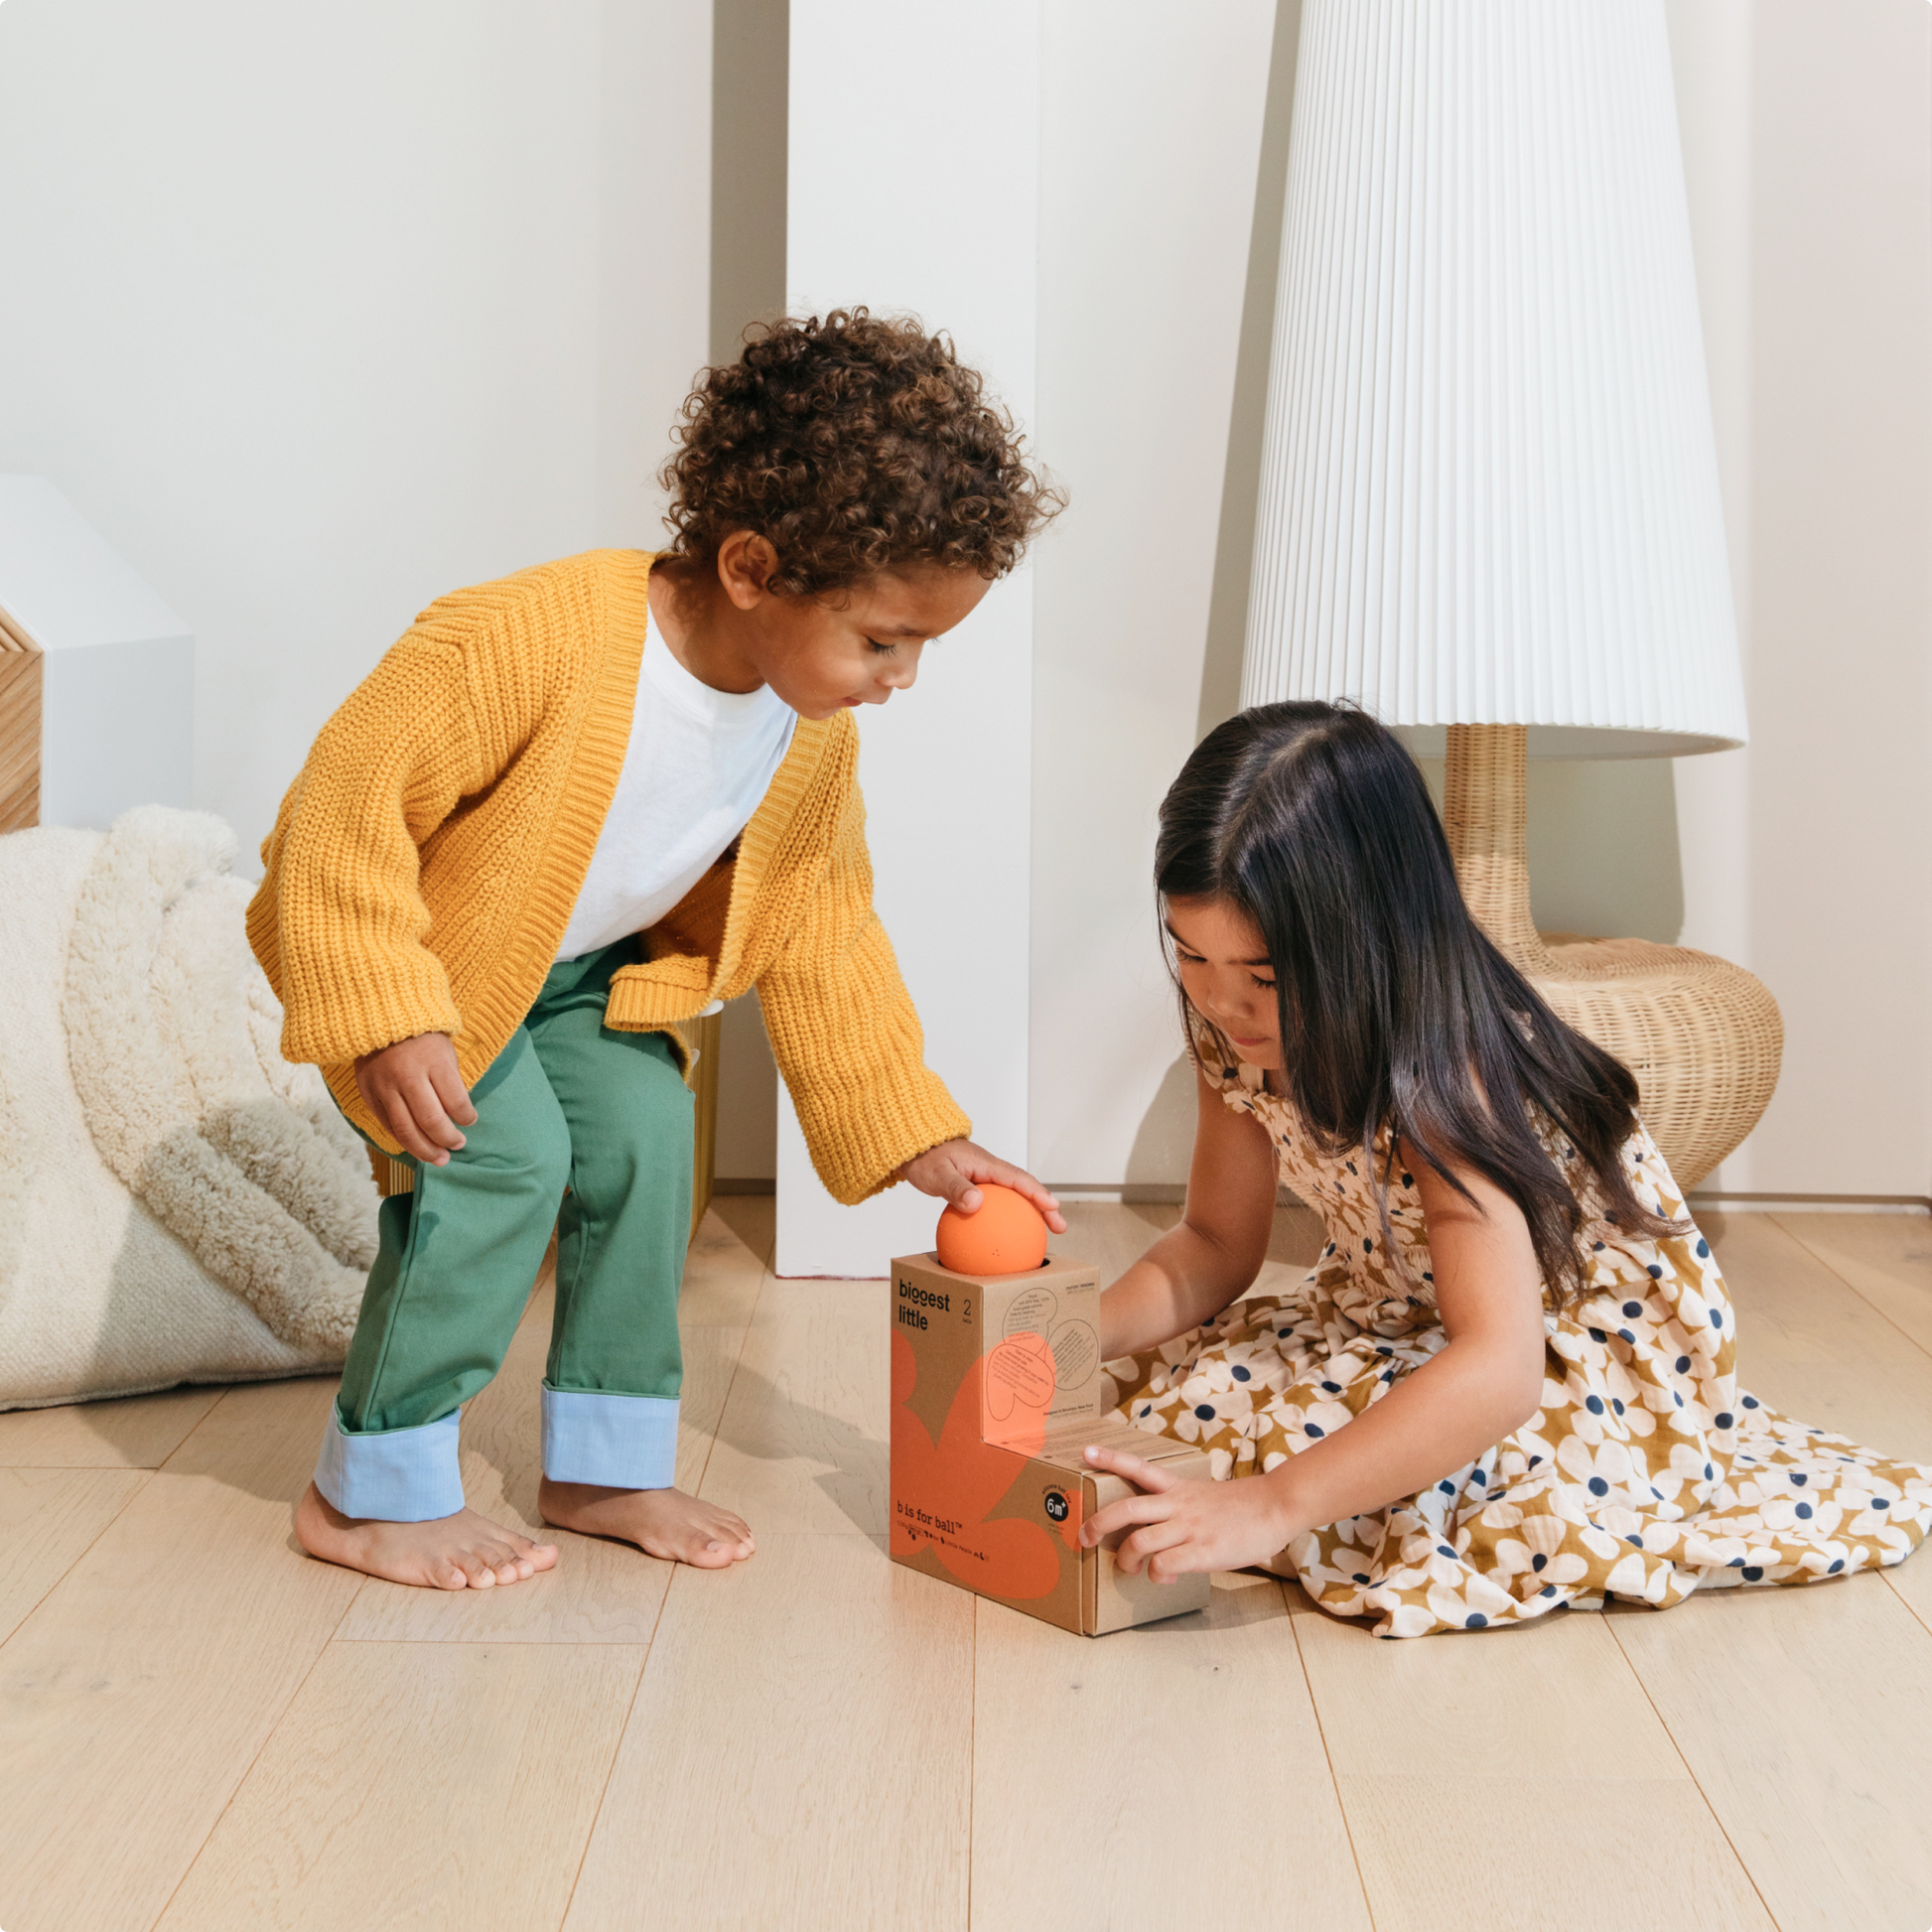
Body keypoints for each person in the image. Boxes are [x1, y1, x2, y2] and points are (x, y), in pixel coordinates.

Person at [250, 310, 1065, 1591]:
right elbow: (337, 817)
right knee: (500, 1157)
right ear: (750, 567)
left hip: (572, 977)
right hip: (434, 975)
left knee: (641, 1137)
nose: (899, 677)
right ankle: (371, 1486)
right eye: (881, 639)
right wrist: (389, 1008)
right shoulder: (519, 640)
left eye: (920, 647)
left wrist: (913, 1126)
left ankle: (602, 1460)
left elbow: (821, 925)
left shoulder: (808, 733)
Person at [1080, 702, 1930, 1638]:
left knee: (1462, 1508)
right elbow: (1211, 1244)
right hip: (1406, 1309)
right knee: (1177, 1403)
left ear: (1373, 935)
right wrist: (1059, 1341)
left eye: (1267, 975)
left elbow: (1499, 1368)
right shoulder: (1231, 1033)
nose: (1221, 1000)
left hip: (1557, 1349)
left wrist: (1271, 1507)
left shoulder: (1454, 1069)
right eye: (1191, 954)